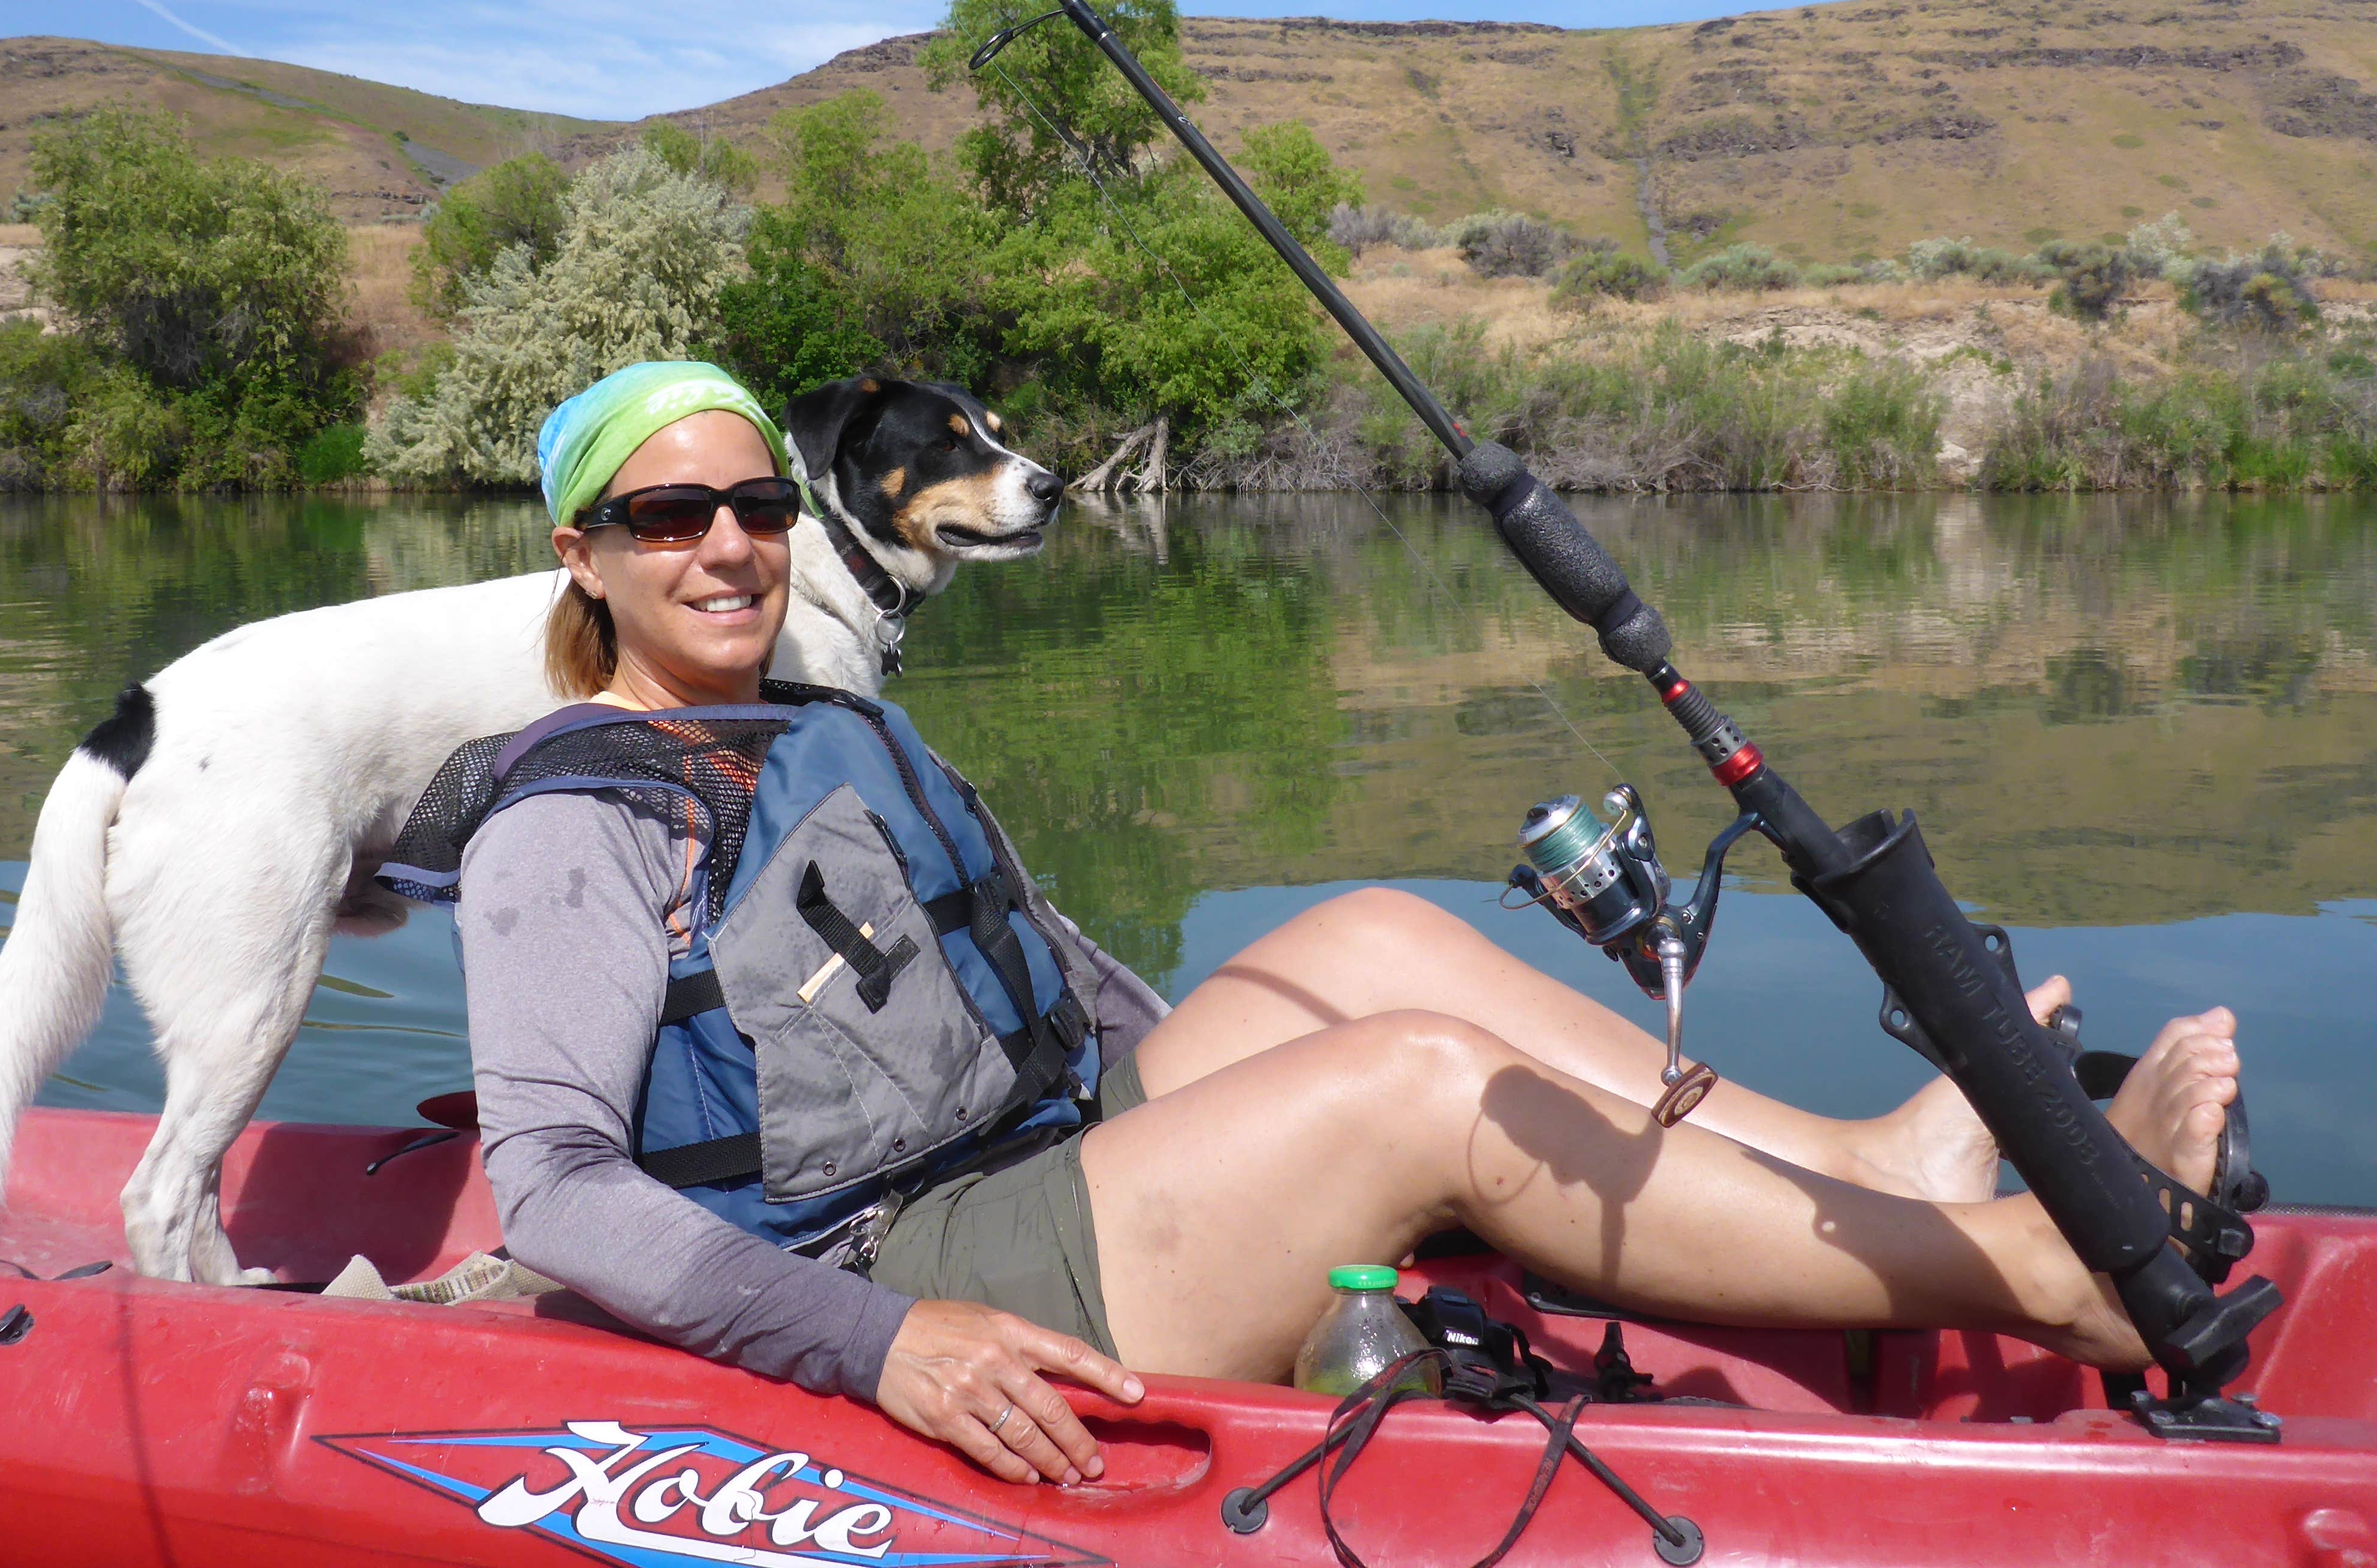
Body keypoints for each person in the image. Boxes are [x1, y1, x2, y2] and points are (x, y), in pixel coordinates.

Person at [462, 360, 2245, 1487]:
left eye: (759, 503)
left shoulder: (821, 721)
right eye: (668, 513)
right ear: (584, 551)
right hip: (874, 1265)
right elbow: (547, 1184)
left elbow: (1045, 971)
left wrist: (1237, 1107)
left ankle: (1873, 1170)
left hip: (1034, 1150)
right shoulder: (575, 818)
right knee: (1414, 1085)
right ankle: (2054, 1280)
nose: (729, 544)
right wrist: (884, 1351)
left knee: (1371, 941)